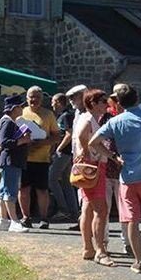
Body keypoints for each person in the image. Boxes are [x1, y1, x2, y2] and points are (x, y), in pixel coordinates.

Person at [90, 83, 141, 274]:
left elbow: (93, 142)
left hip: (127, 177)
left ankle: (139, 261)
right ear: (137, 99)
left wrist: (113, 156)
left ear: (118, 102)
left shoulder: (115, 122)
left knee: (132, 220)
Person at [72, 88, 113, 264]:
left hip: (93, 165)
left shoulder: (88, 118)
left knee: (88, 208)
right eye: (103, 101)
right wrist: (87, 154)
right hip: (93, 166)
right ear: (93, 104)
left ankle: (88, 248)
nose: (107, 104)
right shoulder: (89, 118)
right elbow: (82, 136)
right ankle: (100, 250)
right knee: (100, 209)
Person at [18, 86, 60, 229]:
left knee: (42, 190)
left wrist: (42, 143)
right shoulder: (21, 113)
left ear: (42, 99)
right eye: (31, 97)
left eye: (37, 97)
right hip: (24, 158)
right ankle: (26, 217)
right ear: (27, 98)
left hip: (42, 159)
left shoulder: (48, 115)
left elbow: (56, 136)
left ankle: (44, 218)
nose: (34, 100)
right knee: (23, 189)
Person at [0, 94, 31, 233]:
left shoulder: (7, 121)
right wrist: (22, 140)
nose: (22, 109)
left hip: (8, 161)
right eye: (20, 106)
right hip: (11, 161)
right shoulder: (8, 122)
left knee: (3, 191)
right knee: (10, 191)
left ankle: (4, 220)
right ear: (15, 108)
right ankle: (14, 221)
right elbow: (4, 142)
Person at [47, 89, 82, 229]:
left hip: (64, 153)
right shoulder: (68, 115)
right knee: (67, 182)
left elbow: (69, 134)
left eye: (53, 102)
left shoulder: (65, 116)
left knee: (52, 179)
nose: (52, 105)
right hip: (70, 153)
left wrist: (59, 148)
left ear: (58, 102)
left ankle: (63, 209)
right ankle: (73, 212)